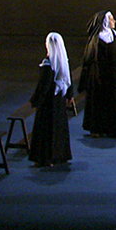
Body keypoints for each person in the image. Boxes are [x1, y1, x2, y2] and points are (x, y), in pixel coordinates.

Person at [27, 32, 75, 168]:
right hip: (59, 101)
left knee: (46, 130)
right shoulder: (63, 62)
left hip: (47, 105)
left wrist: (34, 101)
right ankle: (59, 155)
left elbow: (43, 86)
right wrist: (70, 96)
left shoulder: (48, 65)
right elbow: (68, 80)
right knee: (58, 128)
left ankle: (45, 158)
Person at [78, 11, 116, 138]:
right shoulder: (96, 40)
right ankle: (98, 128)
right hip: (99, 78)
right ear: (105, 22)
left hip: (113, 77)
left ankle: (113, 127)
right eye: (111, 19)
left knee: (113, 101)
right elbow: (89, 60)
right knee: (99, 103)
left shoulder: (114, 35)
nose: (114, 21)